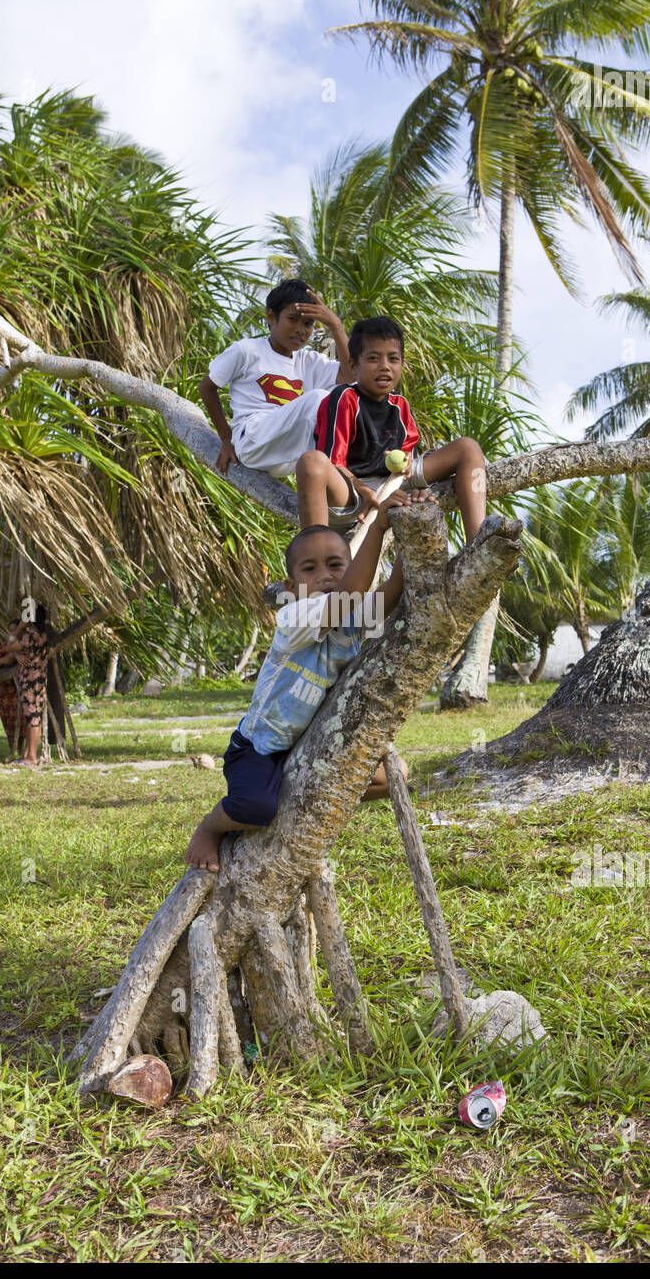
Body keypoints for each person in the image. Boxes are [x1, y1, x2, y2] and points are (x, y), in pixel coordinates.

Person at [185, 491, 427, 871]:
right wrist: (378, 527)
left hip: (306, 748)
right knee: (255, 807)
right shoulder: (295, 617)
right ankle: (210, 826)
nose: (325, 576)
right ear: (291, 586)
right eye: (309, 570)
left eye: (336, 565)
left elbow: (389, 596)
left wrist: (408, 537)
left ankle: (299, 795)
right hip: (258, 748)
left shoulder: (353, 617)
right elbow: (351, 595)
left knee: (389, 779)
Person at [296, 315, 487, 544]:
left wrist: (413, 479)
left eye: (393, 359)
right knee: (311, 461)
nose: (384, 366)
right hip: (353, 489)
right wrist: (361, 488)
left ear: (402, 364)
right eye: (374, 358)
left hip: (393, 482)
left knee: (468, 448)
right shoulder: (345, 398)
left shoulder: (400, 405)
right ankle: (313, 550)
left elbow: (408, 458)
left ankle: (478, 542)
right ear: (353, 365)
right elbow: (334, 464)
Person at [200, 279, 353, 480]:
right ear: (271, 317)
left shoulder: (310, 361)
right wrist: (226, 438)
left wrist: (336, 325)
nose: (300, 329)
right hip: (253, 443)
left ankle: (349, 476)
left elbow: (352, 377)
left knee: (350, 397)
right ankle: (342, 472)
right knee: (319, 398)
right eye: (293, 319)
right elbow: (207, 387)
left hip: (288, 458)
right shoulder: (247, 350)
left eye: (308, 324)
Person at [1, 607, 50, 766]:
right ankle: (28, 755)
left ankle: (31, 757)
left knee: (32, 719)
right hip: (39, 680)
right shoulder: (43, 635)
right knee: (32, 718)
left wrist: (20, 628)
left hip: (30, 681)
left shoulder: (30, 636)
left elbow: (8, 647)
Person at [0, 619, 26, 756]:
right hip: (4, 691)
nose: (13, 633)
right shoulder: (3, 648)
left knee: (22, 720)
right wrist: (4, 660)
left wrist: (17, 655)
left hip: (20, 689)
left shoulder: (27, 645)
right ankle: (13, 751)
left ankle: (21, 751)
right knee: (8, 721)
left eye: (16, 630)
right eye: (10, 630)